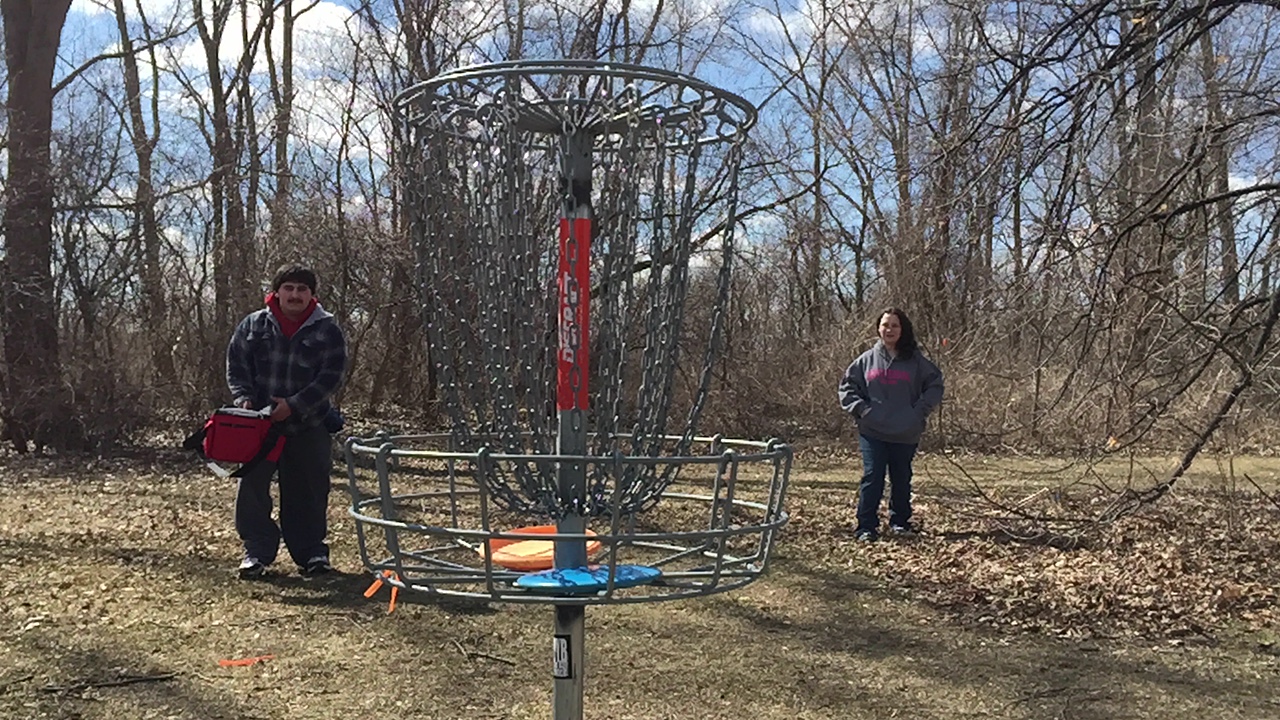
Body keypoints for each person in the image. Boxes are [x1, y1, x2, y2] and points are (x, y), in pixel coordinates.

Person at [226, 264, 348, 578]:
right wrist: (244, 400)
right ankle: (257, 552)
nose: (295, 295)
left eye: (302, 289)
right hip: (258, 426)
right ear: (276, 292)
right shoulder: (253, 325)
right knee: (252, 489)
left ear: (312, 295)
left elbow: (331, 377)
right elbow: (236, 366)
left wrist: (294, 405)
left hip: (309, 424)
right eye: (289, 288)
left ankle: (311, 554)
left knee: (308, 490)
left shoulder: (327, 329)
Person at [837, 307, 944, 542]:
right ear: (878, 328)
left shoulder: (916, 361)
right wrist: (862, 410)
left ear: (902, 329)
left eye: (895, 325)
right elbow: (847, 388)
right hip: (872, 431)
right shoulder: (866, 360)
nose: (890, 330)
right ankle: (866, 526)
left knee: (901, 478)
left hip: (905, 431)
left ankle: (900, 522)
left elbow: (935, 385)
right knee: (872, 476)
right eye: (885, 325)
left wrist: (919, 412)